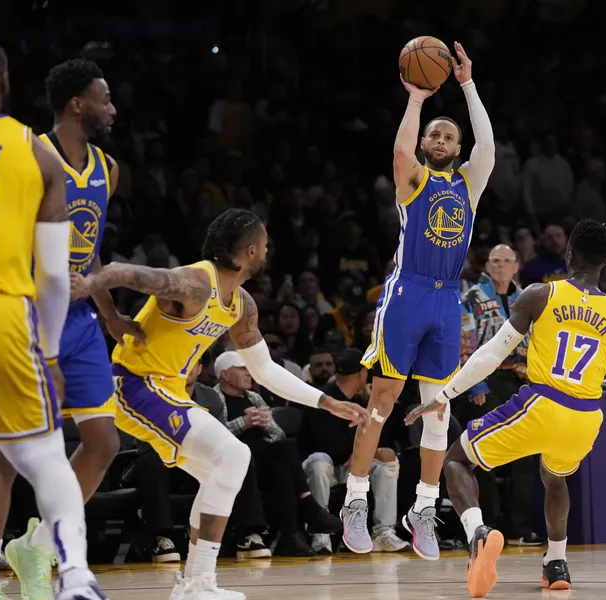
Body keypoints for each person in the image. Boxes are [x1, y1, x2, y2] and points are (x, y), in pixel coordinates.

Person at [71, 208, 370, 600]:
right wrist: (98, 297)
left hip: (167, 391)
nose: (268, 250)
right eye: (264, 245)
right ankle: (197, 584)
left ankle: (193, 582)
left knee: (223, 467)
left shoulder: (241, 305)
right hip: (134, 383)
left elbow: (262, 370)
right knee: (232, 456)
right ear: (249, 251)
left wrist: (326, 401)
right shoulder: (196, 282)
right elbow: (124, 271)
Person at [0, 40, 106, 600]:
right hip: (0, 310)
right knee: (42, 452)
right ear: (5, 84)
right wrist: (50, 350)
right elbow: (57, 277)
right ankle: (76, 576)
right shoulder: (37, 155)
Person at [0, 57, 144, 600]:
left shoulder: (108, 168)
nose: (113, 109)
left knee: (102, 442)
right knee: (7, 454)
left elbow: (90, 252)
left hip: (80, 321)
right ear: (78, 104)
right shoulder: (32, 156)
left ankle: (40, 546)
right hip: (28, 317)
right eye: (105, 99)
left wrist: (112, 315)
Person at [407, 219, 606, 596]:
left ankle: (478, 534)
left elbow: (491, 352)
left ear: (568, 255)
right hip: (585, 419)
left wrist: (445, 395)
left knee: (455, 460)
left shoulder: (539, 295)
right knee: (554, 475)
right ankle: (556, 562)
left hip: (543, 403)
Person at [351, 41, 495, 559]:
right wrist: (415, 100)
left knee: (438, 409)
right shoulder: (413, 179)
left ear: (456, 148)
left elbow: (490, 149)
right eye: (433, 133)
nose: (439, 138)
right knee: (385, 399)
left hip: (445, 300)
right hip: (407, 291)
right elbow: (398, 152)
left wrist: (467, 85)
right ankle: (355, 497)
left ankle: (425, 507)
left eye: (447, 134)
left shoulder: (468, 185)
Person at [214, 350, 342, 557]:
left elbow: (278, 434)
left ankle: (292, 534)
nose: (249, 373)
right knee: (281, 464)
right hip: (232, 462)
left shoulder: (254, 397)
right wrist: (244, 423)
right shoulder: (214, 398)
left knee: (284, 454)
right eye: (242, 369)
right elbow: (213, 436)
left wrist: (265, 424)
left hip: (260, 461)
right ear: (225, 375)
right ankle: (304, 516)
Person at [457, 244, 543, 546]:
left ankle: (519, 528)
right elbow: (464, 341)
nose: (502, 266)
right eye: (496, 261)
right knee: (486, 455)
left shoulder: (529, 298)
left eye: (508, 261)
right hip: (488, 381)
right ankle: (489, 525)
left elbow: (541, 341)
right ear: (487, 265)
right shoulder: (471, 298)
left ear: (517, 266)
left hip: (523, 381)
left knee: (524, 456)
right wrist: (475, 384)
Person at [300, 348, 408, 555]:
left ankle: (384, 532)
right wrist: (358, 452)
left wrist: (371, 403)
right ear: (361, 373)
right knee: (320, 461)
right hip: (318, 469)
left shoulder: (360, 401)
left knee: (387, 462)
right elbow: (326, 446)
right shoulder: (324, 399)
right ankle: (320, 533)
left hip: (350, 467)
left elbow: (382, 439)